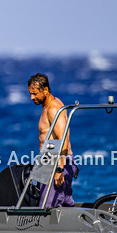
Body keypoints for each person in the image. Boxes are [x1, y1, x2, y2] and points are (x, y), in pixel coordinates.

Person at [28, 73, 77, 207]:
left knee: (49, 206)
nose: (32, 97)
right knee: (46, 202)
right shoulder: (46, 107)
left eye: (35, 94)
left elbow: (63, 139)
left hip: (56, 162)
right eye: (30, 94)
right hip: (47, 159)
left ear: (45, 90)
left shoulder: (54, 108)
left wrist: (60, 169)